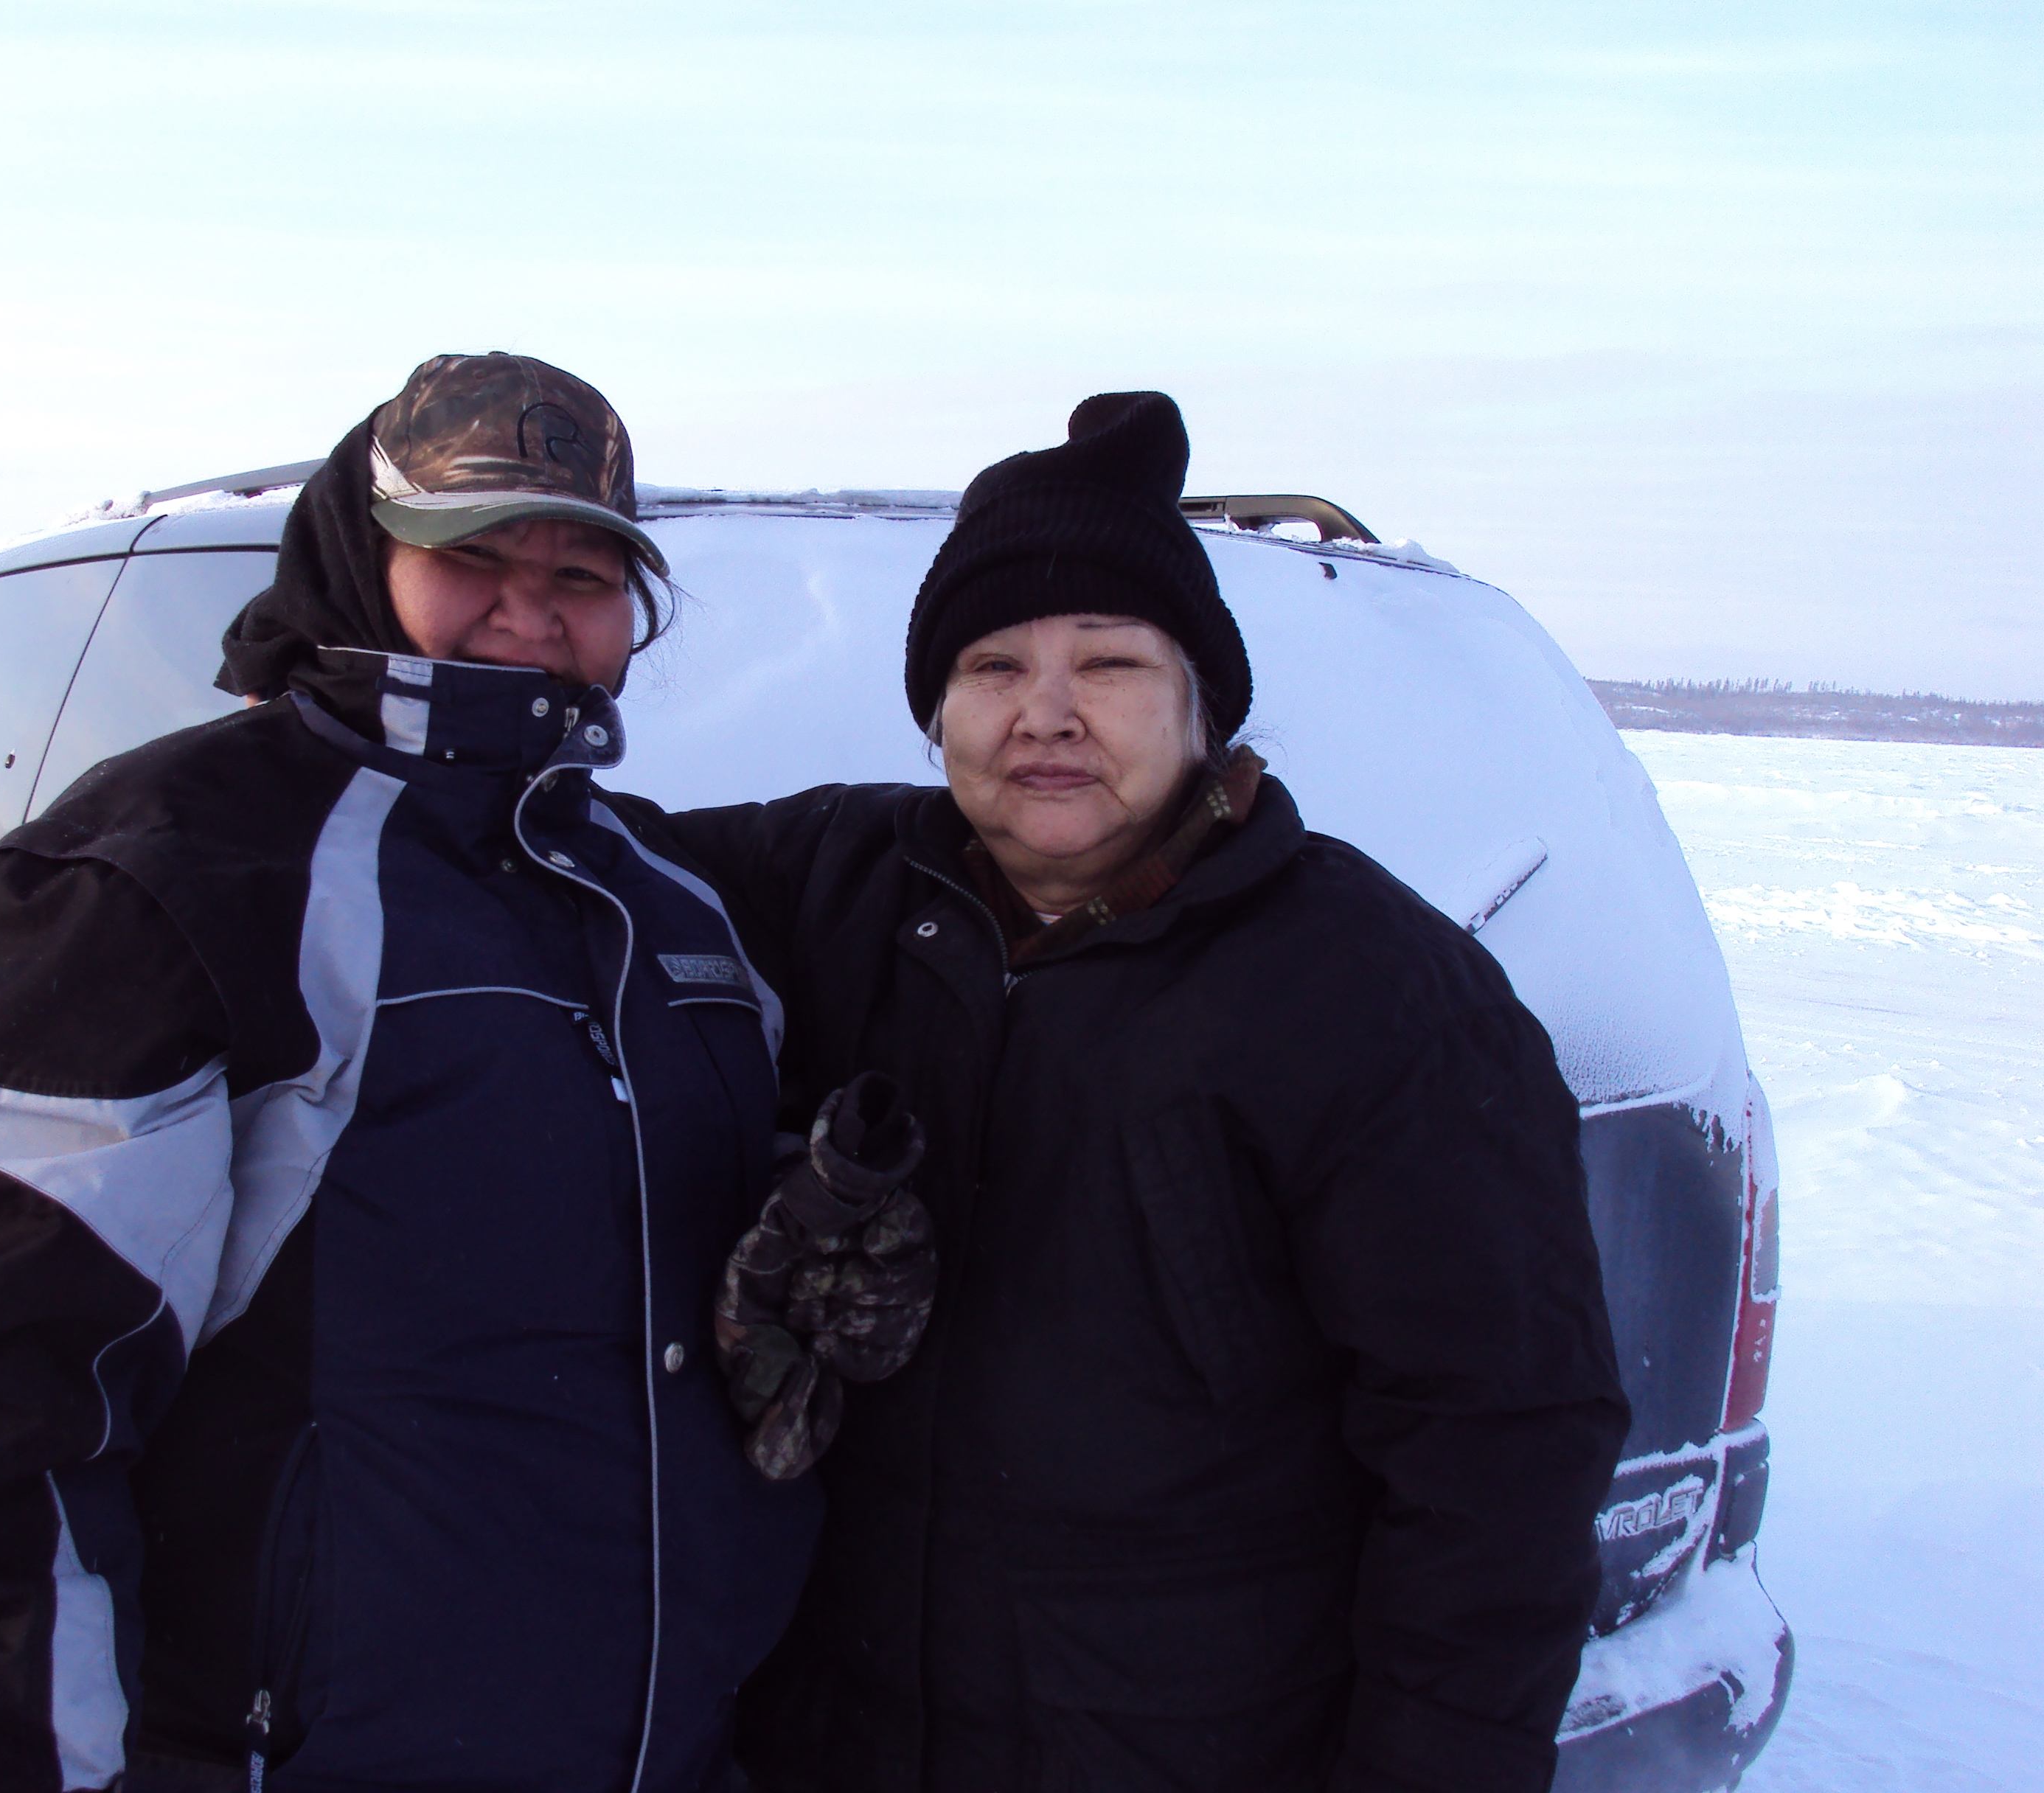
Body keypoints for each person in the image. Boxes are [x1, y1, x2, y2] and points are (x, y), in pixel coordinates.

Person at [0, 352, 827, 1793]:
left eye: (584, 570)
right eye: (474, 556)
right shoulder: (166, 876)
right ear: (364, 557)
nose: (531, 611)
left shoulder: (663, 895)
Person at [666, 392, 1632, 1792]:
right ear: (935, 707)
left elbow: (1500, 1460)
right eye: (994, 665)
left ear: (1202, 703)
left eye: (1108, 662)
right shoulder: (847, 887)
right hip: (845, 1736)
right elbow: (538, 862)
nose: (1045, 714)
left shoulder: (1372, 997)